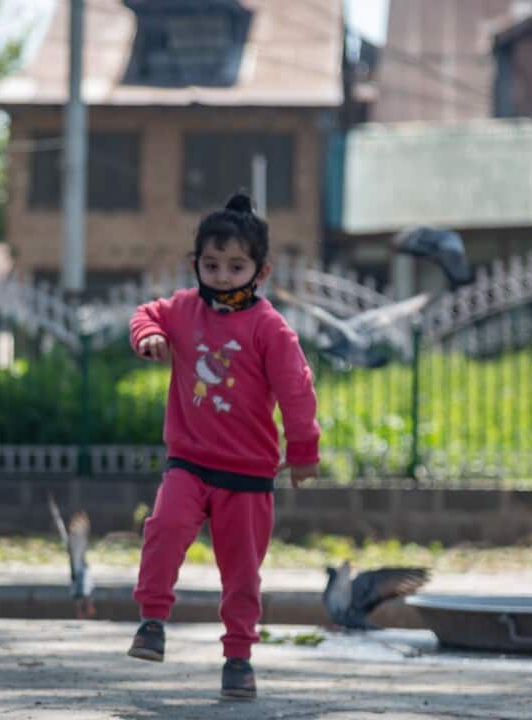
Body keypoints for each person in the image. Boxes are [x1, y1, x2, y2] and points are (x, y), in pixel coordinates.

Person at [126, 192, 320, 701]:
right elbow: (145, 313)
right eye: (211, 265)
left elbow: (296, 390)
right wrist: (149, 336)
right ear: (196, 264)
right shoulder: (184, 309)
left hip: (248, 475)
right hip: (188, 461)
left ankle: (238, 657)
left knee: (241, 575)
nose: (222, 276)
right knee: (164, 528)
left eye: (236, 266)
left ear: (261, 271)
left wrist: (303, 451)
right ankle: (152, 621)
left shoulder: (269, 328)